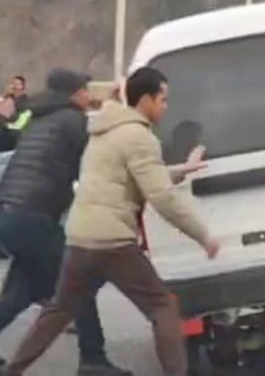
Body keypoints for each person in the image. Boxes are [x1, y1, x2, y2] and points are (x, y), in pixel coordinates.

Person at [1, 67, 220, 376]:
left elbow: (132, 172)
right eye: (163, 100)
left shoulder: (80, 126)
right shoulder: (119, 132)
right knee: (161, 306)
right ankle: (102, 361)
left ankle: (19, 370)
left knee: (51, 304)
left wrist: (181, 169)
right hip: (95, 234)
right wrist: (204, 237)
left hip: (52, 228)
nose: (166, 107)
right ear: (146, 100)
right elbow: (160, 193)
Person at [0, 69, 130, 375]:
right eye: (84, 90)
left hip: (11, 216)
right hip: (33, 217)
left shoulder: (40, 120)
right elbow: (101, 155)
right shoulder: (72, 121)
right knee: (80, 277)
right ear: (73, 93)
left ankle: (93, 358)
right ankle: (93, 359)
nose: (88, 95)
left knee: (23, 291)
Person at [0, 76, 32, 152]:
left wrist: (5, 123)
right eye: (13, 84)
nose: (15, 87)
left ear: (23, 88)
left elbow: (19, 124)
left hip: (13, 138)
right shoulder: (6, 100)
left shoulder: (26, 104)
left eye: (18, 84)